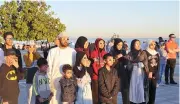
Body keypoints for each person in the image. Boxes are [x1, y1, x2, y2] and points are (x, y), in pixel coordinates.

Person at [47, 32, 76, 104]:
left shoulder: (72, 52)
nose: (66, 40)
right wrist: (49, 84)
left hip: (68, 85)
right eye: (63, 38)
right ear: (59, 40)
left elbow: (74, 67)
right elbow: (48, 68)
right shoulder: (52, 51)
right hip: (55, 82)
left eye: (67, 39)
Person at [127, 39, 149, 104]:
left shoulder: (143, 52)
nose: (138, 45)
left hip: (141, 72)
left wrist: (143, 66)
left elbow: (146, 62)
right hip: (133, 72)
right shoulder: (130, 53)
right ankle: (133, 101)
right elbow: (128, 65)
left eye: (139, 43)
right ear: (133, 45)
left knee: (141, 88)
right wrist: (133, 65)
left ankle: (141, 101)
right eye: (136, 43)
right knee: (133, 88)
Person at [110, 38, 130, 104]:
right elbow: (110, 64)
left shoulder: (123, 51)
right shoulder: (111, 51)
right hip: (114, 73)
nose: (120, 46)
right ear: (115, 44)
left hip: (123, 73)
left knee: (125, 90)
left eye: (121, 45)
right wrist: (116, 58)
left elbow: (125, 63)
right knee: (114, 92)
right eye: (118, 45)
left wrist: (126, 59)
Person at [90, 38, 107, 104]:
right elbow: (93, 65)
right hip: (96, 77)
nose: (102, 45)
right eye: (100, 43)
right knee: (96, 95)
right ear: (97, 44)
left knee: (103, 94)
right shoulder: (93, 53)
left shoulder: (105, 53)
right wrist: (99, 74)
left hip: (104, 77)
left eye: (103, 43)